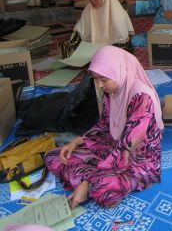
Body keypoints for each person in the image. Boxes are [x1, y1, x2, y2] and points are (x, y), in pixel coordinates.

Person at [45, 46, 164, 209]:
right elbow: (104, 126)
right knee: (53, 156)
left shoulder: (143, 98)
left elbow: (127, 148)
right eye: (95, 79)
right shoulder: (113, 90)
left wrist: (88, 182)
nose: (99, 85)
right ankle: (94, 178)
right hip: (112, 146)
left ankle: (91, 181)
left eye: (103, 79)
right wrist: (76, 142)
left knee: (102, 188)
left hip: (137, 159)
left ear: (118, 71)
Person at [59, 0, 134, 58]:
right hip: (93, 47)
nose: (92, 0)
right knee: (66, 46)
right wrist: (70, 43)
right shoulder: (89, 10)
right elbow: (80, 31)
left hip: (113, 50)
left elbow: (122, 42)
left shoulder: (118, 14)